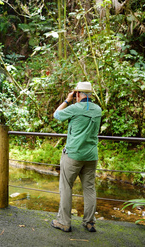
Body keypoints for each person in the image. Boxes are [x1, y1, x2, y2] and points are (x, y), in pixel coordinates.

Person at [50, 81, 102, 233]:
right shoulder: (97, 110)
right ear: (90, 94)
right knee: (90, 188)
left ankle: (64, 222)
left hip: (73, 155)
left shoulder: (74, 108)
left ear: (78, 94)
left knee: (66, 187)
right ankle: (90, 222)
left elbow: (56, 114)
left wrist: (67, 100)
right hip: (91, 155)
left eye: (75, 94)